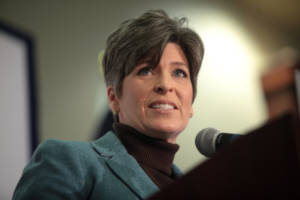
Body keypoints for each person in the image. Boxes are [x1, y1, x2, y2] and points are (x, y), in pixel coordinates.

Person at [13, 9, 204, 200]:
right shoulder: (69, 161)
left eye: (179, 73)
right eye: (146, 70)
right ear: (113, 98)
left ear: (191, 104)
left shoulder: (200, 189)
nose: (165, 85)